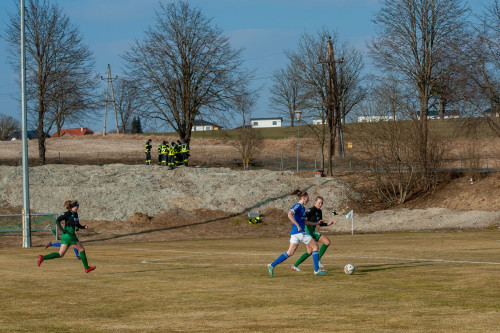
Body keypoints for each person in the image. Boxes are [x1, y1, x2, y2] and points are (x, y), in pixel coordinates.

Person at [267, 190, 327, 277]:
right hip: (300, 232)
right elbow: (289, 214)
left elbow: (305, 222)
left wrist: (316, 223)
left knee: (290, 252)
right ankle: (316, 270)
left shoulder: (302, 208)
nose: (308, 199)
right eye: (307, 198)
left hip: (295, 234)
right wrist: (297, 225)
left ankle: (272, 265)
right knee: (315, 247)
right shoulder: (298, 206)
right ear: (303, 197)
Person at [37, 200, 96, 273]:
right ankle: (87, 268)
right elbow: (57, 220)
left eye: (78, 205)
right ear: (72, 206)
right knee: (81, 249)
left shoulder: (75, 214)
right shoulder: (67, 213)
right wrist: (62, 230)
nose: (77, 207)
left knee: (60, 254)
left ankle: (42, 257)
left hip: (66, 235)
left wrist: (83, 227)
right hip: (69, 234)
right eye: (76, 206)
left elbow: (77, 225)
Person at [290, 196, 336, 272]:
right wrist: (299, 226)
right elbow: (303, 218)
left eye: (322, 203)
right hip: (308, 231)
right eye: (319, 203)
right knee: (324, 243)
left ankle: (295, 265)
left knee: (311, 251)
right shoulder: (311, 210)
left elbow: (320, 224)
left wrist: (328, 224)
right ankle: (317, 261)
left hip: (312, 231)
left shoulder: (320, 211)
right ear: (315, 202)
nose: (320, 204)